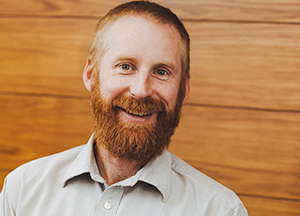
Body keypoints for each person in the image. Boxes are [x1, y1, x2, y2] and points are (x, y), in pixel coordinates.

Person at [0, 1, 248, 215]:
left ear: (184, 89)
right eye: (126, 66)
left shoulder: (220, 210)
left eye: (161, 72)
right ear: (91, 74)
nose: (141, 90)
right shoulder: (22, 189)